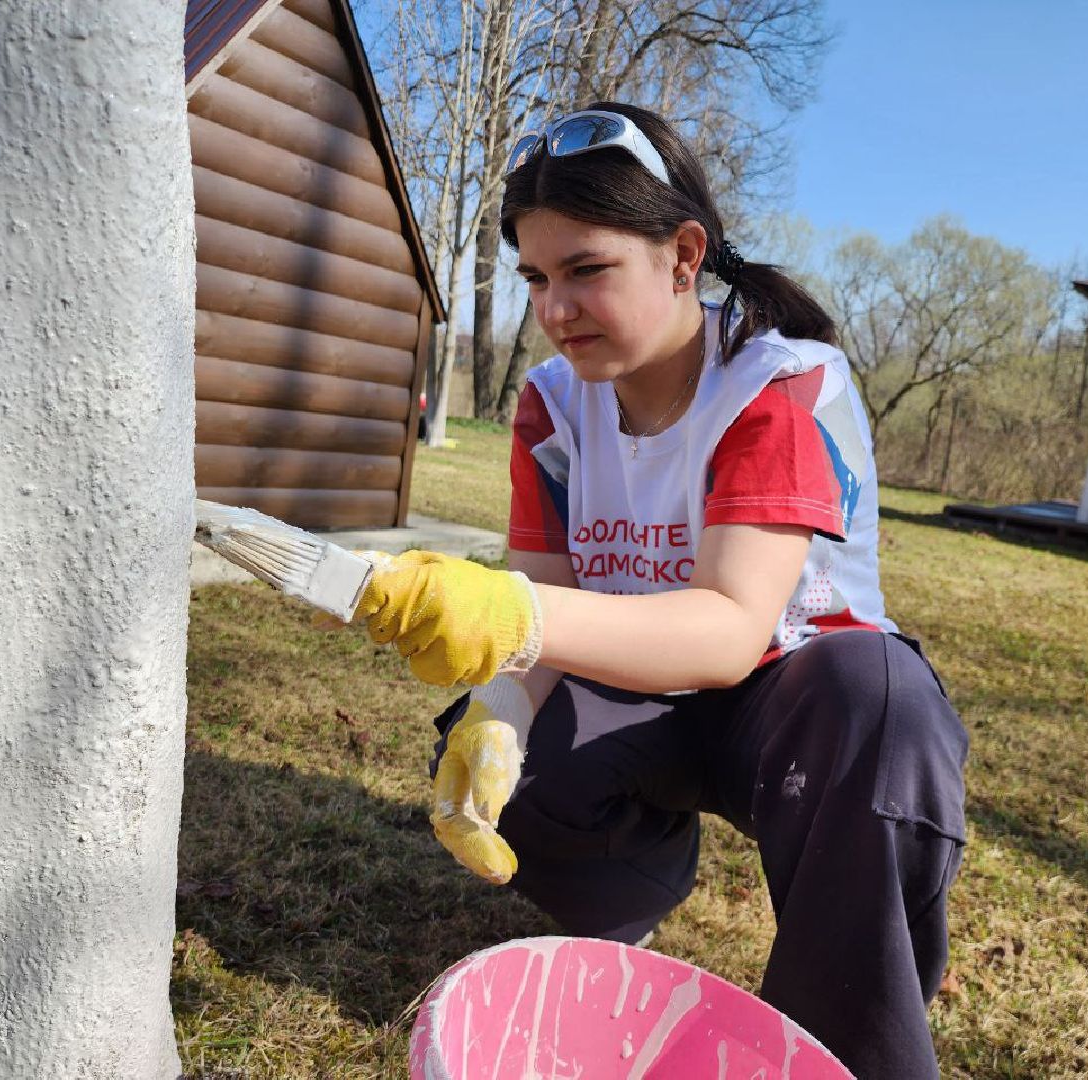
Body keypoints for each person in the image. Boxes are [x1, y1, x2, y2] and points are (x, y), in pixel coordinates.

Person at [354, 103, 968, 1079]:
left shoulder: (779, 383)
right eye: (536, 278)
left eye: (586, 270)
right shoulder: (552, 402)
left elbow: (728, 629)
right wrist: (501, 708)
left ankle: (841, 1047)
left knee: (880, 709)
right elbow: (548, 589)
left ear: (684, 256)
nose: (553, 310)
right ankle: (621, 932)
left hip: (789, 709)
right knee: (506, 746)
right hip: (643, 695)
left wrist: (514, 614)